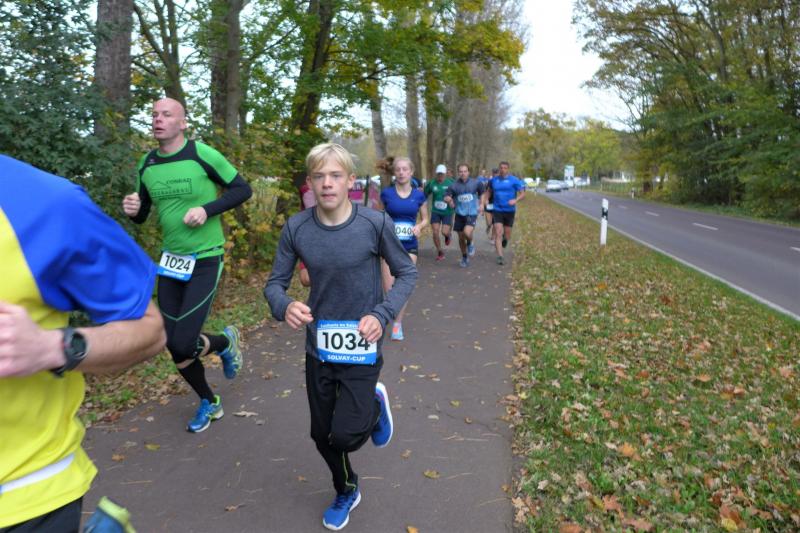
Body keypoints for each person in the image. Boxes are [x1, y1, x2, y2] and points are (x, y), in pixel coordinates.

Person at [0, 155, 166, 532]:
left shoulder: (45, 204)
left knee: (185, 342)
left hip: (24, 497)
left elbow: (150, 330)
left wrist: (52, 348)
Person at [264, 143, 417, 531]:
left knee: (346, 435)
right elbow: (274, 284)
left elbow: (407, 272)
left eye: (335, 176)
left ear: (351, 181)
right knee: (321, 434)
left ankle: (374, 405)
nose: (327, 183)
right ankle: (346, 488)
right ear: (310, 182)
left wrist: (382, 314)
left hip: (363, 343)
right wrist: (284, 305)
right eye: (319, 176)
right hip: (319, 345)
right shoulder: (297, 228)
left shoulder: (374, 224)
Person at [122, 97, 252, 433]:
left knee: (182, 342)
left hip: (206, 257)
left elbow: (242, 189)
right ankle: (210, 399)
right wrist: (133, 209)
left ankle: (224, 344)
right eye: (154, 114)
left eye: (166, 114)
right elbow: (142, 214)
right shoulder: (147, 163)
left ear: (182, 123)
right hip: (171, 261)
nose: (158, 119)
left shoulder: (202, 154)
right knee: (172, 342)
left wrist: (207, 210)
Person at [378, 157, 429, 341]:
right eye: (398, 169)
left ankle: (397, 324)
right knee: (389, 289)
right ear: (394, 172)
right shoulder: (386, 194)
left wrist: (419, 226)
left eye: (405, 169)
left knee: (403, 286)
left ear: (411, 172)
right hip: (389, 245)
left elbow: (425, 218)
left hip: (409, 246)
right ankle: (388, 316)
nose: (401, 172)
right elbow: (378, 216)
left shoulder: (418, 195)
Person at [444, 164, 486, 267]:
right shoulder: (454, 185)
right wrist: (449, 200)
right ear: (458, 173)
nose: (463, 173)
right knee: (461, 238)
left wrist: (481, 204)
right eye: (461, 171)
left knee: (467, 232)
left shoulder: (476, 183)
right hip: (459, 214)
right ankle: (464, 257)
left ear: (468, 172)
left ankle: (470, 243)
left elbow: (482, 193)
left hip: (471, 213)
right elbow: (446, 196)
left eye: (465, 171)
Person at [489, 161, 525, 265]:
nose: (503, 170)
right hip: (497, 209)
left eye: (505, 168)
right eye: (501, 168)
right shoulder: (494, 180)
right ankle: (500, 256)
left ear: (508, 169)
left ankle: (505, 239)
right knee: (498, 232)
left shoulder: (514, 180)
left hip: (509, 210)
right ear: (499, 168)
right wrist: (485, 201)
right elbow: (489, 192)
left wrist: (515, 200)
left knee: (507, 234)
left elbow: (522, 193)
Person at [424, 163, 454, 261]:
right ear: (436, 173)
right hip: (435, 211)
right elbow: (424, 194)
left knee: (444, 232)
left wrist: (452, 201)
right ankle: (440, 252)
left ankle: (448, 235)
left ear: (445, 174)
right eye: (439, 173)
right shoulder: (432, 183)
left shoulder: (451, 183)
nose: (440, 175)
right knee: (435, 232)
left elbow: (457, 194)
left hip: (447, 212)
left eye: (442, 174)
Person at [484, 168, 499, 241]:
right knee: (489, 222)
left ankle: (493, 237)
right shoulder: (490, 181)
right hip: (489, 203)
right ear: (492, 174)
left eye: (496, 173)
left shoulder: (501, 182)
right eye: (494, 173)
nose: (495, 175)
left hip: (497, 204)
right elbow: (486, 192)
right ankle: (488, 226)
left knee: (495, 222)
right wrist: (486, 200)